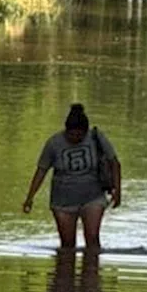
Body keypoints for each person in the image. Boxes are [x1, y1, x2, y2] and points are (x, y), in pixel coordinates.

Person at [22, 103, 121, 250]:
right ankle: (65, 272)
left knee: (93, 239)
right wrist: (30, 198)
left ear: (86, 131)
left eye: (80, 135)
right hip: (63, 200)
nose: (76, 138)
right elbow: (41, 171)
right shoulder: (54, 143)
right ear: (66, 130)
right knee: (67, 244)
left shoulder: (96, 138)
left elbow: (114, 163)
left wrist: (118, 191)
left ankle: (92, 271)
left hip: (93, 197)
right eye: (72, 135)